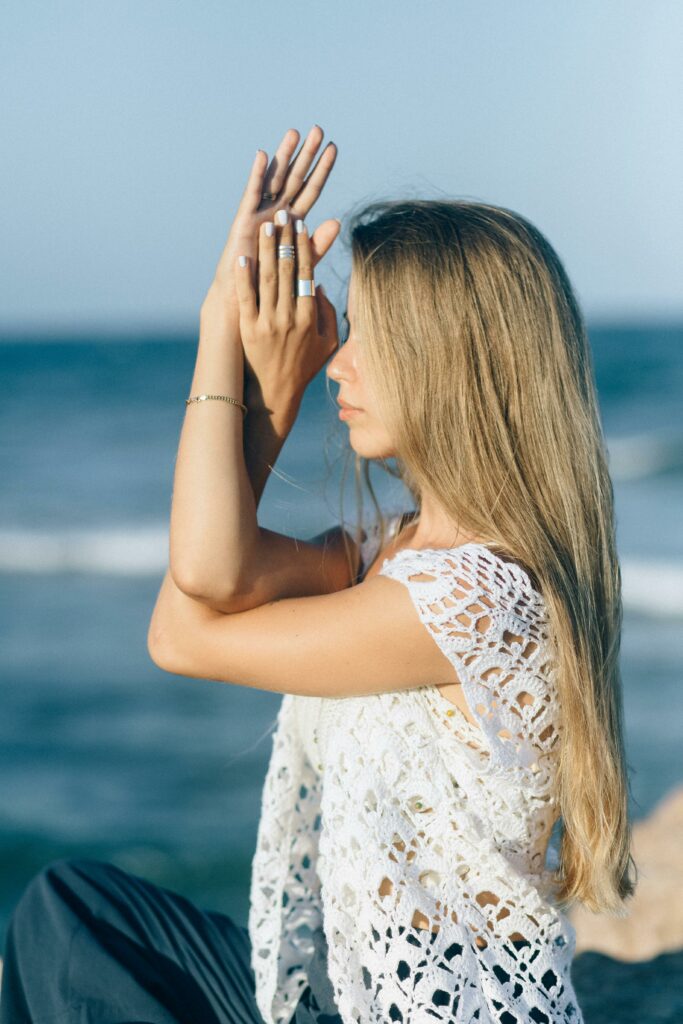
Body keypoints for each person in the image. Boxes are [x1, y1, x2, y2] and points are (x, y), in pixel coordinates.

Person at [0, 124, 637, 1023]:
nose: (338, 359)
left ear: (450, 364)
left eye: (372, 336)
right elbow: (211, 577)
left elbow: (181, 636)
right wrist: (261, 390)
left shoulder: (478, 599)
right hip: (343, 985)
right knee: (80, 913)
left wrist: (222, 330)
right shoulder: (394, 550)